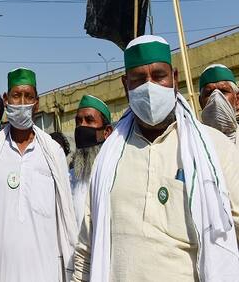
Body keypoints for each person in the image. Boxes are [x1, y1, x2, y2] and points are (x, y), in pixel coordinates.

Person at [73, 35, 239, 282]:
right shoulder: (108, 159)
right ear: (125, 85)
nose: (149, 87)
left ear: (174, 78)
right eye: (139, 79)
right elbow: (86, 250)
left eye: (159, 76)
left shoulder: (215, 148)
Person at [0, 67, 77, 282]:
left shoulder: (52, 152)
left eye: (28, 96)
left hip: (44, 270)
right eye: (16, 95)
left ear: (37, 103)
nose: (22, 103)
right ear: (6, 99)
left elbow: (65, 214)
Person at [70, 95, 112, 229]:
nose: (81, 126)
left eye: (89, 120)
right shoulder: (69, 178)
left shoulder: (114, 173)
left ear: (106, 132)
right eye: (78, 121)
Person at [199, 63, 239, 142]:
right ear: (201, 103)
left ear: (237, 99)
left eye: (223, 91)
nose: (216, 98)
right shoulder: (193, 143)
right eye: (209, 93)